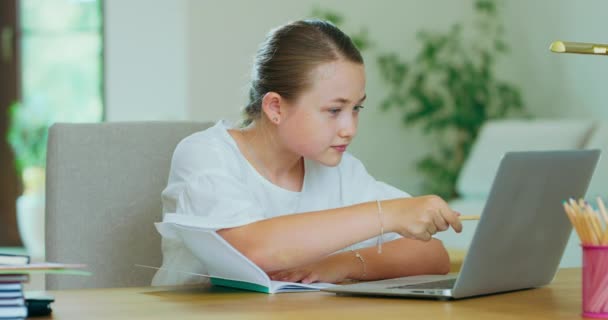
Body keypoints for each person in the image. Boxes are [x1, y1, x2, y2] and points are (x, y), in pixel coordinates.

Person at [152, 19, 462, 286]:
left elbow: (431, 254)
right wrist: (388, 214)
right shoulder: (206, 155)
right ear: (275, 107)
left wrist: (338, 264)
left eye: (356, 109)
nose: (349, 128)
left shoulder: (341, 171)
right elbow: (252, 252)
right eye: (334, 110)